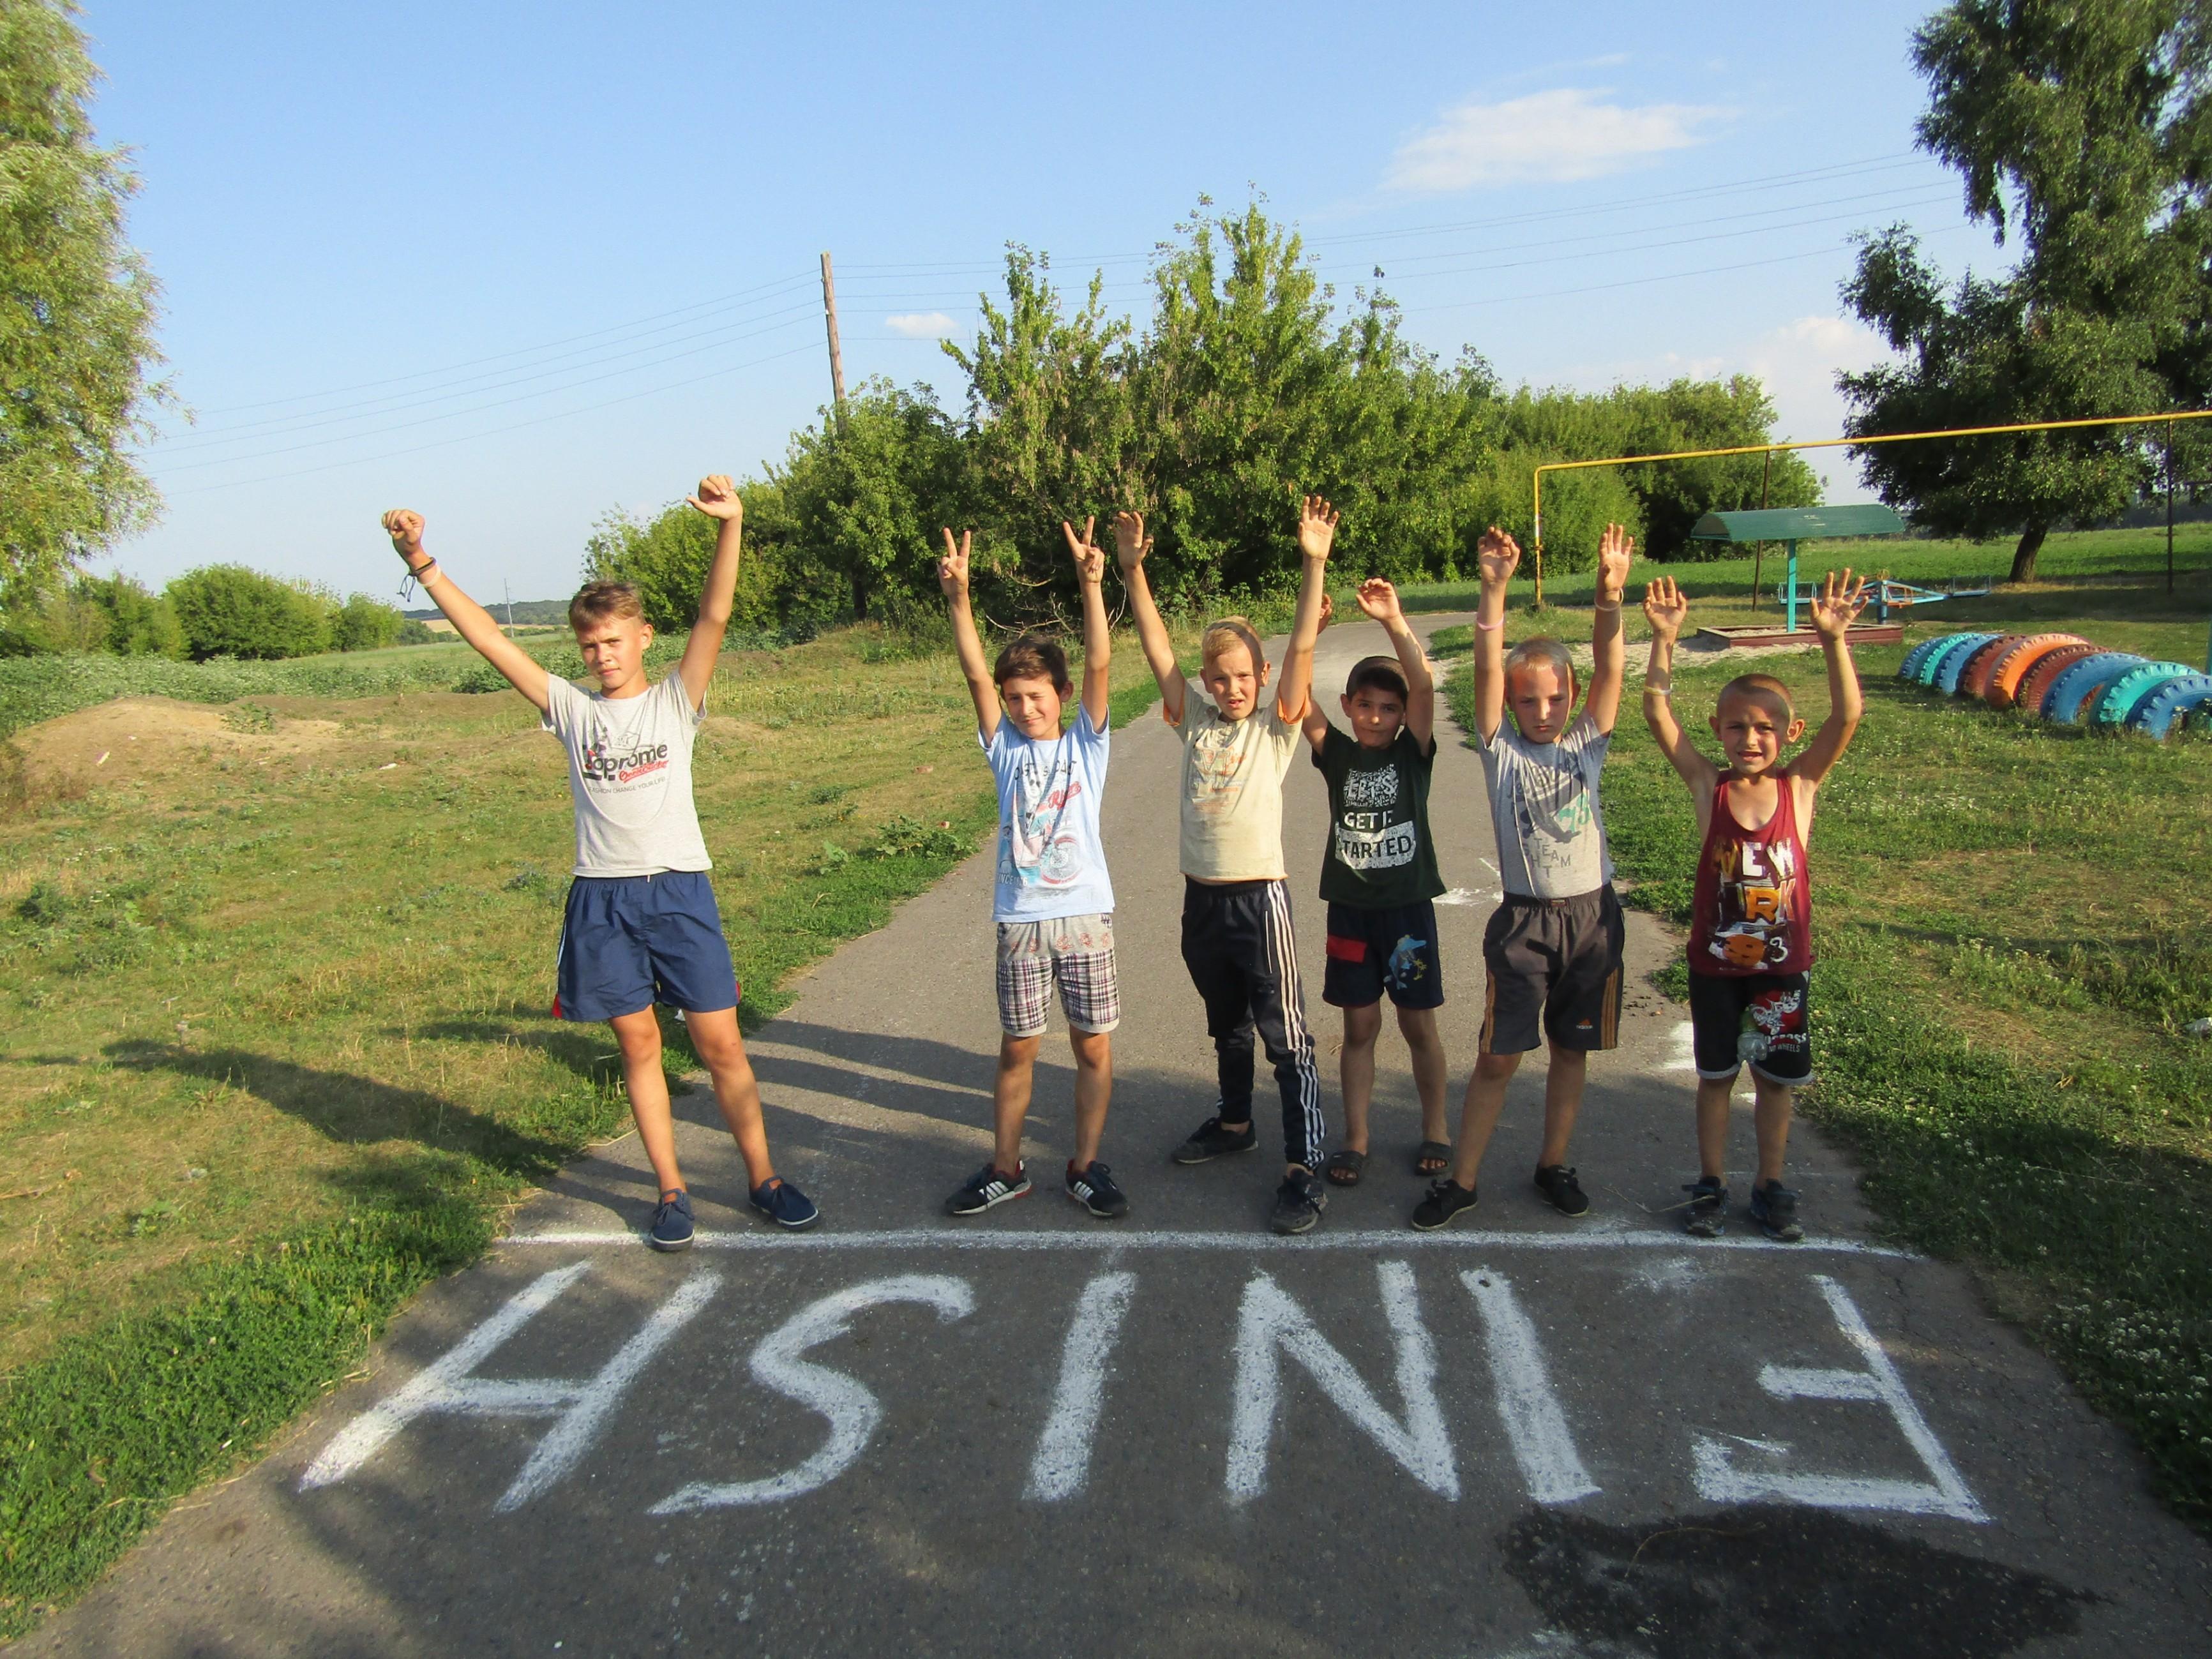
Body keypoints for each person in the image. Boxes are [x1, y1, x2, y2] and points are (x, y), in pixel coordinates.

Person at [379, 479, 819, 1250]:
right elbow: (489, 640)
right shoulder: (571, 710)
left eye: (613, 641)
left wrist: (732, 528)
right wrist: (420, 560)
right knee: (639, 1044)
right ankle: (671, 1191)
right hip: (602, 900)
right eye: (589, 645)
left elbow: (715, 613)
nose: (601, 656)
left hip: (679, 891)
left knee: (721, 1046)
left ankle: (764, 1179)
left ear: (643, 636)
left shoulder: (678, 700)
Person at [1117, 499, 1335, 1235]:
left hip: (1257, 901)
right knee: (1229, 1025)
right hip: (1201, 902)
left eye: (1244, 675)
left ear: (1262, 675)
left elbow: (1303, 648)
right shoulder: (1195, 721)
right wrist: (1133, 569)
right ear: (1208, 681)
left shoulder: (1276, 728)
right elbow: (1155, 649)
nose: (1232, 687)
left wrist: (1313, 563)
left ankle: (1304, 1165)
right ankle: (1236, 1122)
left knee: (1286, 1036)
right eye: (1221, 677)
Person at [1413, 523, 1634, 1232]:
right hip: (1525, 925)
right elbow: (1482, 671)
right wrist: (1493, 589)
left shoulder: (1587, 741)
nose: (1542, 712)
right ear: (1510, 704)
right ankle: (1464, 1178)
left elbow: (1611, 667)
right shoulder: (1500, 751)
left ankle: (1553, 1163)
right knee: (1498, 1057)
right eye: (1527, 700)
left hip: (1592, 920)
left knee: (1573, 1050)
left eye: (1553, 698)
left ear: (1571, 696)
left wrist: (1608, 596)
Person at [1639, 567, 1870, 1241]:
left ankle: (1771, 1184)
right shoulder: (1708, 786)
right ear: (1717, 727)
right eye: (1737, 726)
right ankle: (1712, 1183)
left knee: (1775, 1080)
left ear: (1790, 731)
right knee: (1716, 1077)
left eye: (1766, 727)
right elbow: (1656, 712)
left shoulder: (1800, 789)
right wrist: (1664, 641)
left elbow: (1848, 715)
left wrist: (1833, 640)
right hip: (1715, 968)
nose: (1750, 738)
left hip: (1779, 969)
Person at [934, 518, 1126, 1220]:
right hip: (1021, 922)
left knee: (1093, 1046)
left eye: (1037, 695)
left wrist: (1092, 582)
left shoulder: (1087, 744)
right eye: (1016, 698)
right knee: (1019, 1047)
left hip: (1083, 918)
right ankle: (1006, 1166)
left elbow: (1103, 666)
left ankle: (1085, 1165)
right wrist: (959, 598)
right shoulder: (1005, 749)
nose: (1024, 708)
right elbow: (974, 672)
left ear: (1062, 691)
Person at [1299, 578, 1450, 1188]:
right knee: (1358, 1027)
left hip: (1407, 911)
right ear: (1348, 704)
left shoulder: (1412, 753)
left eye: (1388, 708)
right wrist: (1308, 634)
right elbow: (1295, 701)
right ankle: (1356, 1137)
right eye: (1365, 705)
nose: (1377, 717)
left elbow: (1421, 685)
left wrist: (1393, 620)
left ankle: (1436, 1128)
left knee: (1417, 1025)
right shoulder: (1336, 753)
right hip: (1351, 912)